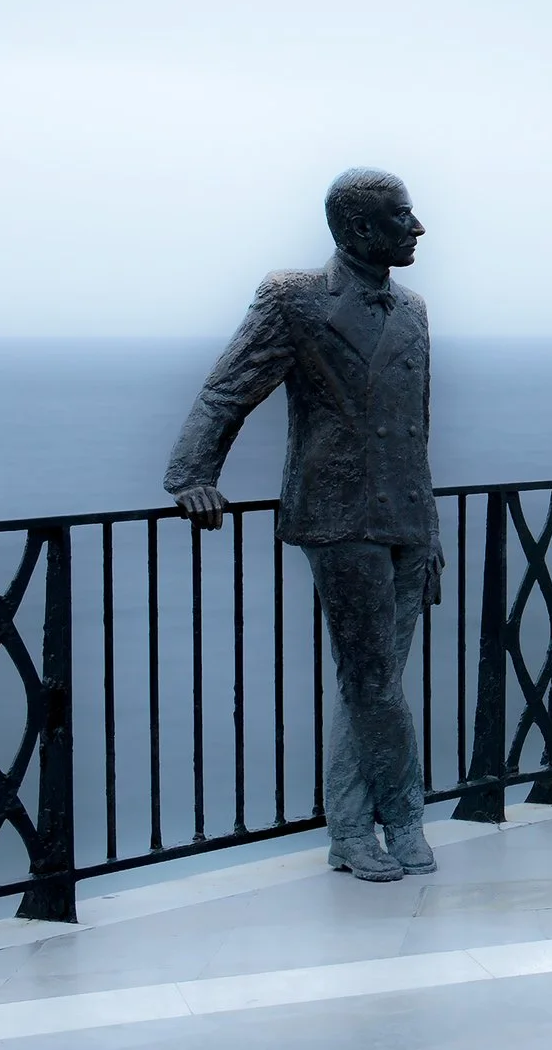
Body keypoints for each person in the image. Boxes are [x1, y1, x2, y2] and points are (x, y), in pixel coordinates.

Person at [163, 168, 443, 882]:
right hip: (340, 519)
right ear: (357, 230)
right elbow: (228, 389)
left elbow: (415, 432)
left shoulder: (413, 310)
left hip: (407, 520)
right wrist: (193, 476)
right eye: (403, 217)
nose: (418, 229)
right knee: (373, 680)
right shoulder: (294, 300)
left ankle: (353, 828)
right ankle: (398, 817)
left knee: (372, 681)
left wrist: (431, 531)